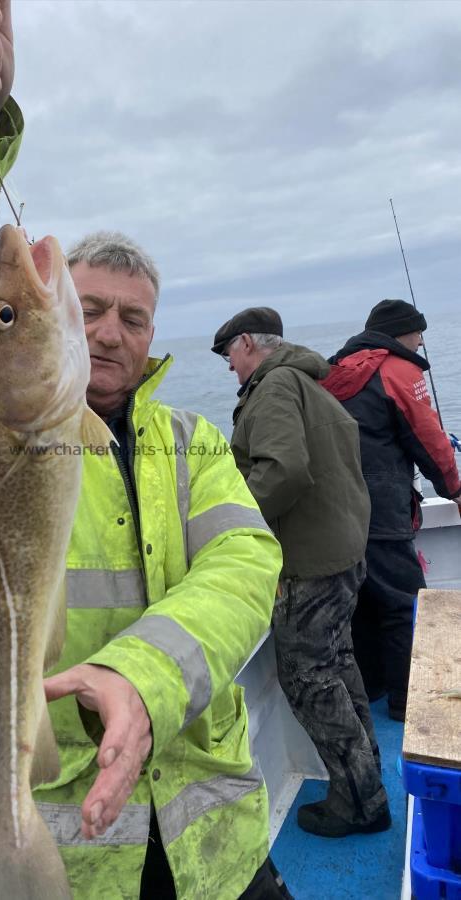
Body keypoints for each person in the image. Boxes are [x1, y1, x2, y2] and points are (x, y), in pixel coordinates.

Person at [0, 2, 288, 897]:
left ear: (155, 333)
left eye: (133, 316)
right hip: (57, 856)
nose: (108, 332)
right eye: (88, 307)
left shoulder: (192, 443)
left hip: (211, 856)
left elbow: (245, 561)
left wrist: (138, 677)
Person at [211, 307, 391, 838]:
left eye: (228, 355)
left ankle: (360, 802)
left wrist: (229, 524)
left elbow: (282, 470)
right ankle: (368, 778)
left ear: (247, 343)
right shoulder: (313, 385)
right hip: (344, 553)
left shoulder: (272, 390)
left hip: (309, 565)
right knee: (338, 664)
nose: (228, 368)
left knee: (310, 678)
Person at [324, 299, 461, 721]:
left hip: (335, 507)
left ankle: (376, 686)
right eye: (419, 335)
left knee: (363, 600)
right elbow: (429, 439)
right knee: (404, 602)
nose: (421, 344)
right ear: (403, 334)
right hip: (382, 507)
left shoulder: (334, 370)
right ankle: (409, 702)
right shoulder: (400, 370)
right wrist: (454, 487)